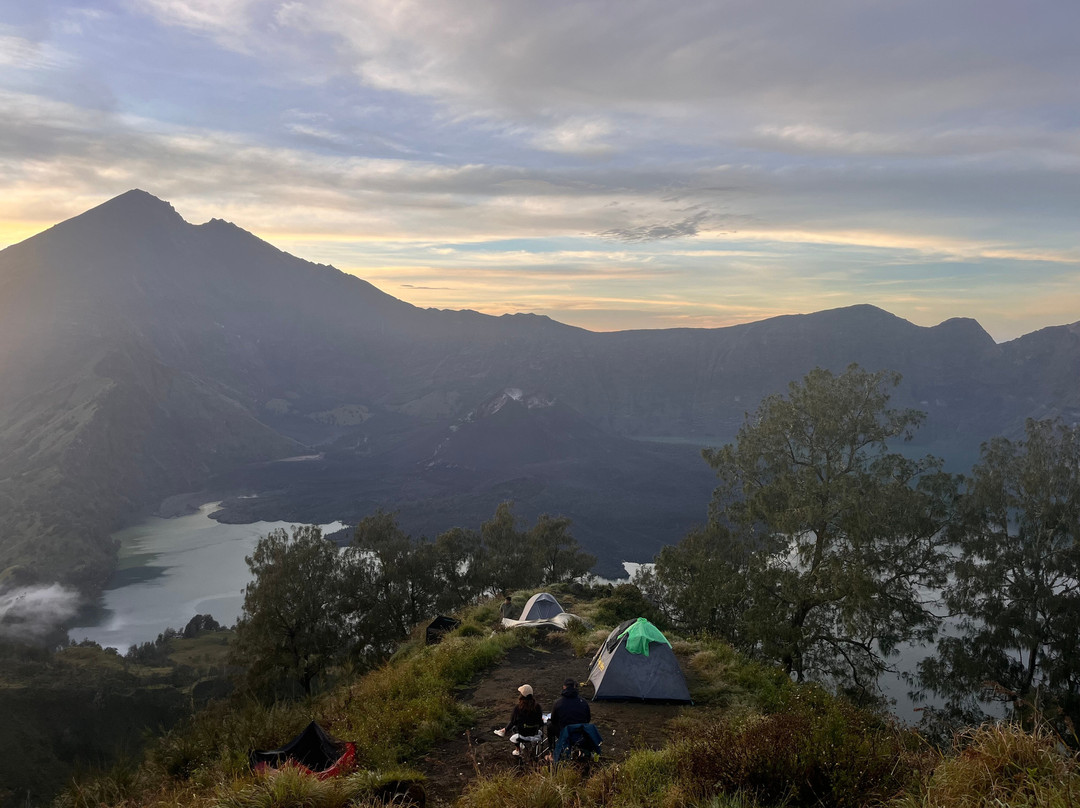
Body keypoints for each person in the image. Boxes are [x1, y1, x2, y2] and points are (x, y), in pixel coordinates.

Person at [493, 684, 544, 756]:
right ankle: (531, 747)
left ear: (522, 695)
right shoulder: (538, 707)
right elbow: (540, 722)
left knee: (514, 727)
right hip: (534, 733)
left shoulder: (518, 708)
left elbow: (513, 721)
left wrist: (506, 729)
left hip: (522, 734)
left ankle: (518, 749)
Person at [548, 677, 590, 746]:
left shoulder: (558, 703)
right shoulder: (584, 702)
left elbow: (554, 720)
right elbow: (588, 719)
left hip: (564, 733)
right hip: (580, 733)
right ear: (574, 687)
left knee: (550, 726)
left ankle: (552, 748)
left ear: (564, 687)